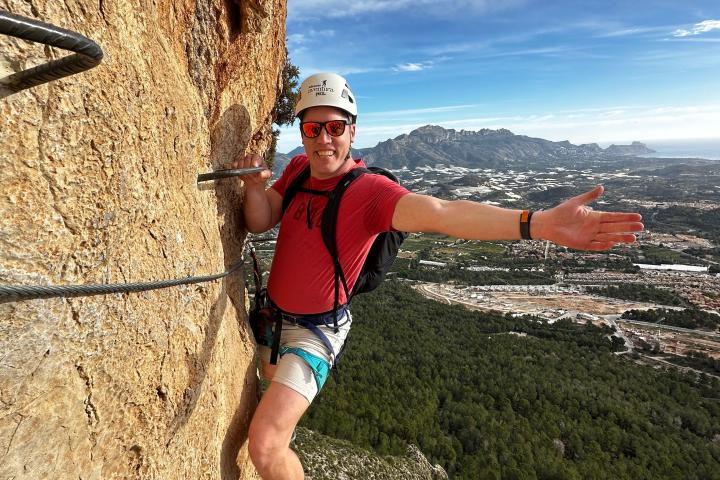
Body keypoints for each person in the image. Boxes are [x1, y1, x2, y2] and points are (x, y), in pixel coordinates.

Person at [232, 72, 643, 480]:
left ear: (352, 131)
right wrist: (253, 188)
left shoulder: (368, 193)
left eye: (335, 127)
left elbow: (445, 213)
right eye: (313, 127)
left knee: (266, 444)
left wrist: (539, 224)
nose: (325, 139)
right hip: (272, 318)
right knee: (266, 399)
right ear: (301, 133)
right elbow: (262, 218)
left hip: (315, 334)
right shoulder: (299, 170)